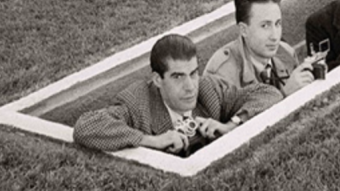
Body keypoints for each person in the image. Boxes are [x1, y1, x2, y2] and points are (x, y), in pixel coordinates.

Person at [73, 34, 282, 153]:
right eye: (178, 77)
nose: (190, 86)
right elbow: (85, 127)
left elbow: (269, 94)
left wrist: (230, 125)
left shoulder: (208, 90)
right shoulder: (137, 102)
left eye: (193, 73)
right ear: (157, 80)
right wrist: (151, 141)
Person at [206, 0, 315, 96]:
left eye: (277, 24)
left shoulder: (286, 53)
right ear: (244, 30)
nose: (275, 36)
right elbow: (241, 113)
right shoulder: (221, 75)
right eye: (265, 26)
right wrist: (284, 95)